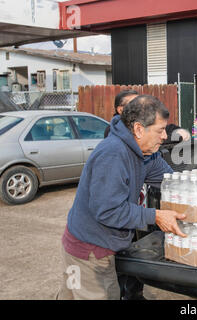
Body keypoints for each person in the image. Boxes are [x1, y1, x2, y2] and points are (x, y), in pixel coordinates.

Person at [57, 95, 186, 300]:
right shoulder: (113, 154)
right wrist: (156, 216)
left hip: (100, 247)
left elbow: (171, 179)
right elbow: (109, 210)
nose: (164, 137)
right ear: (138, 129)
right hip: (89, 253)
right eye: (160, 130)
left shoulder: (146, 153)